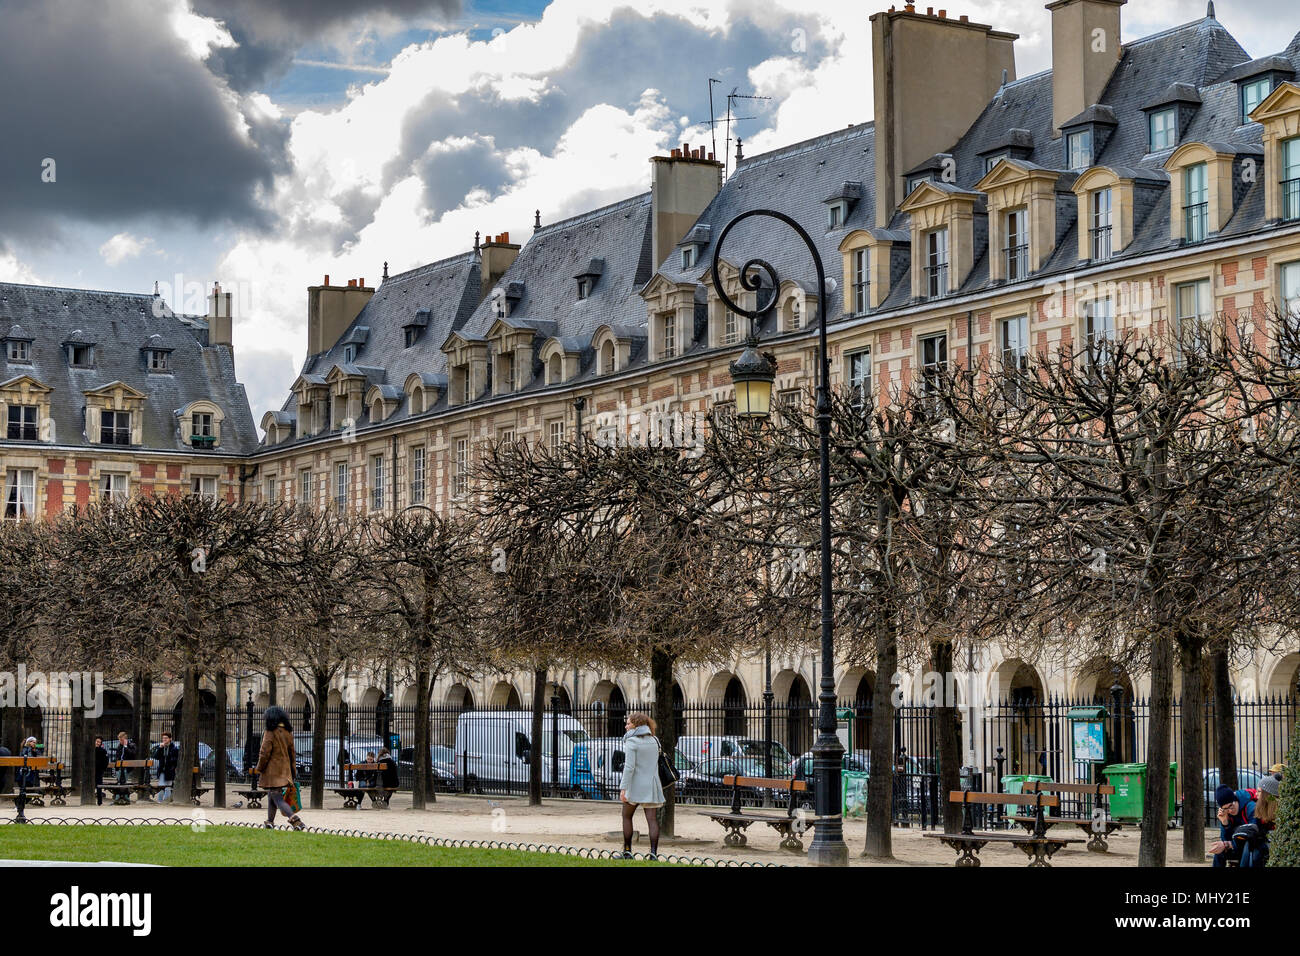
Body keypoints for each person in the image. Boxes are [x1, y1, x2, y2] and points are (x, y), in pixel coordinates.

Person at [618, 712, 665, 858]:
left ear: (636, 725)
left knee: (626, 816)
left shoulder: (631, 742)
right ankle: (653, 854)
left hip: (635, 786)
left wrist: (623, 788)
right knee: (652, 820)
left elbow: (629, 767)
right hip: (651, 785)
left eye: (628, 723)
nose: (626, 726)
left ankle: (627, 852)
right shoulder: (655, 740)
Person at [254, 705, 304, 830]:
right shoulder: (287, 733)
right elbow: (292, 754)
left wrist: (259, 768)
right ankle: (269, 822)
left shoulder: (270, 732)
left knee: (277, 797)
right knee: (272, 795)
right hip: (284, 770)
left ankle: (295, 820)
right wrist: (293, 772)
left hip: (272, 771)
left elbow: (264, 752)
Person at [1239, 773, 1281, 868]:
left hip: (1274, 843)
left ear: (1267, 795)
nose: (1256, 794)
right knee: (1250, 845)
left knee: (1256, 853)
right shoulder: (1259, 807)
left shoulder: (1280, 811)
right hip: (1264, 841)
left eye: (1259, 791)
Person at [1209, 784, 1256, 867]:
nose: (1230, 810)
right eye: (1225, 808)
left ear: (1235, 799)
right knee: (1220, 852)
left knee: (1246, 847)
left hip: (1252, 845)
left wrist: (1228, 844)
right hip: (1236, 846)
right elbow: (1225, 839)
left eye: (1231, 805)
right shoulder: (1226, 813)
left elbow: (1254, 833)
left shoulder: (1250, 807)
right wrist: (1225, 822)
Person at [153, 731, 180, 803]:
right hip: (162, 769)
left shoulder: (174, 748)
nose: (164, 740)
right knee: (161, 786)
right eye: (163, 738)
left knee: (168, 786)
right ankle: (160, 801)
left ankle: (166, 801)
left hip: (170, 770)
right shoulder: (161, 747)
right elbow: (156, 757)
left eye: (166, 738)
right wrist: (160, 748)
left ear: (170, 739)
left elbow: (175, 760)